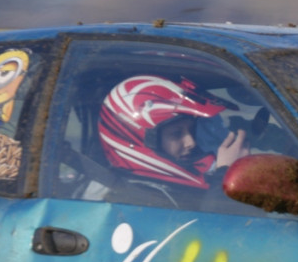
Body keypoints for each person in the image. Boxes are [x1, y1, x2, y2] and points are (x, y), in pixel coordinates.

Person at [99, 74, 249, 190]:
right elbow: (215, 224)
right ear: (135, 139)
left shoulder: (169, 187)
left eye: (191, 130)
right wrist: (226, 174)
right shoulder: (137, 195)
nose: (191, 143)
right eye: (176, 134)